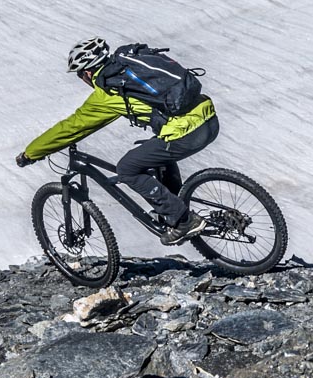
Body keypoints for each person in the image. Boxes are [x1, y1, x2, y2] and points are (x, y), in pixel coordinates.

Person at [16, 37, 219, 245]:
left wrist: (31, 153)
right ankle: (175, 209)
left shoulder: (108, 91)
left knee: (127, 168)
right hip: (208, 117)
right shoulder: (128, 67)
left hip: (187, 132)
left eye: (80, 76)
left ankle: (183, 221)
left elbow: (72, 127)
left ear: (87, 72)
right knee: (151, 150)